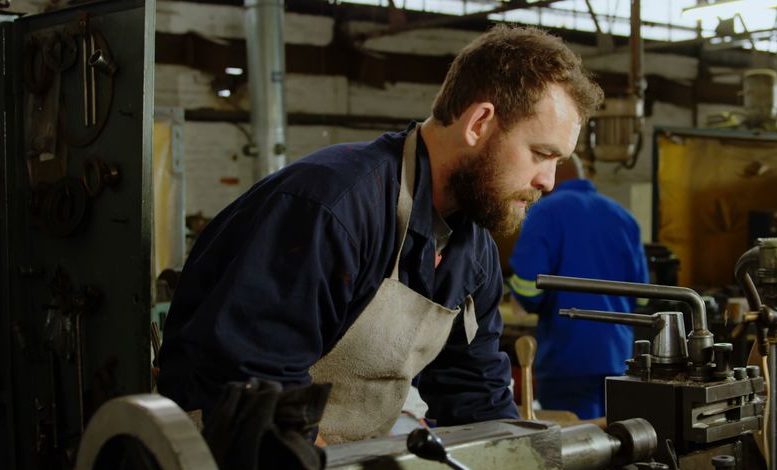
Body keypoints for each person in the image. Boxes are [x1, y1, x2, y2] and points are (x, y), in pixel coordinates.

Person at [157, 25, 604, 443]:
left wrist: (522, 469)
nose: (548, 180)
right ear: (479, 123)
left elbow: (474, 395)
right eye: (541, 153)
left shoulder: (473, 251)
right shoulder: (333, 208)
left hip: (343, 469)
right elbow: (250, 381)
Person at [507, 155, 649, 419]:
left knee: (575, 448)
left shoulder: (544, 212)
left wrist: (520, 298)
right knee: (617, 441)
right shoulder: (622, 216)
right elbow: (641, 298)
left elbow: (529, 287)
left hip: (567, 357)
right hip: (620, 358)